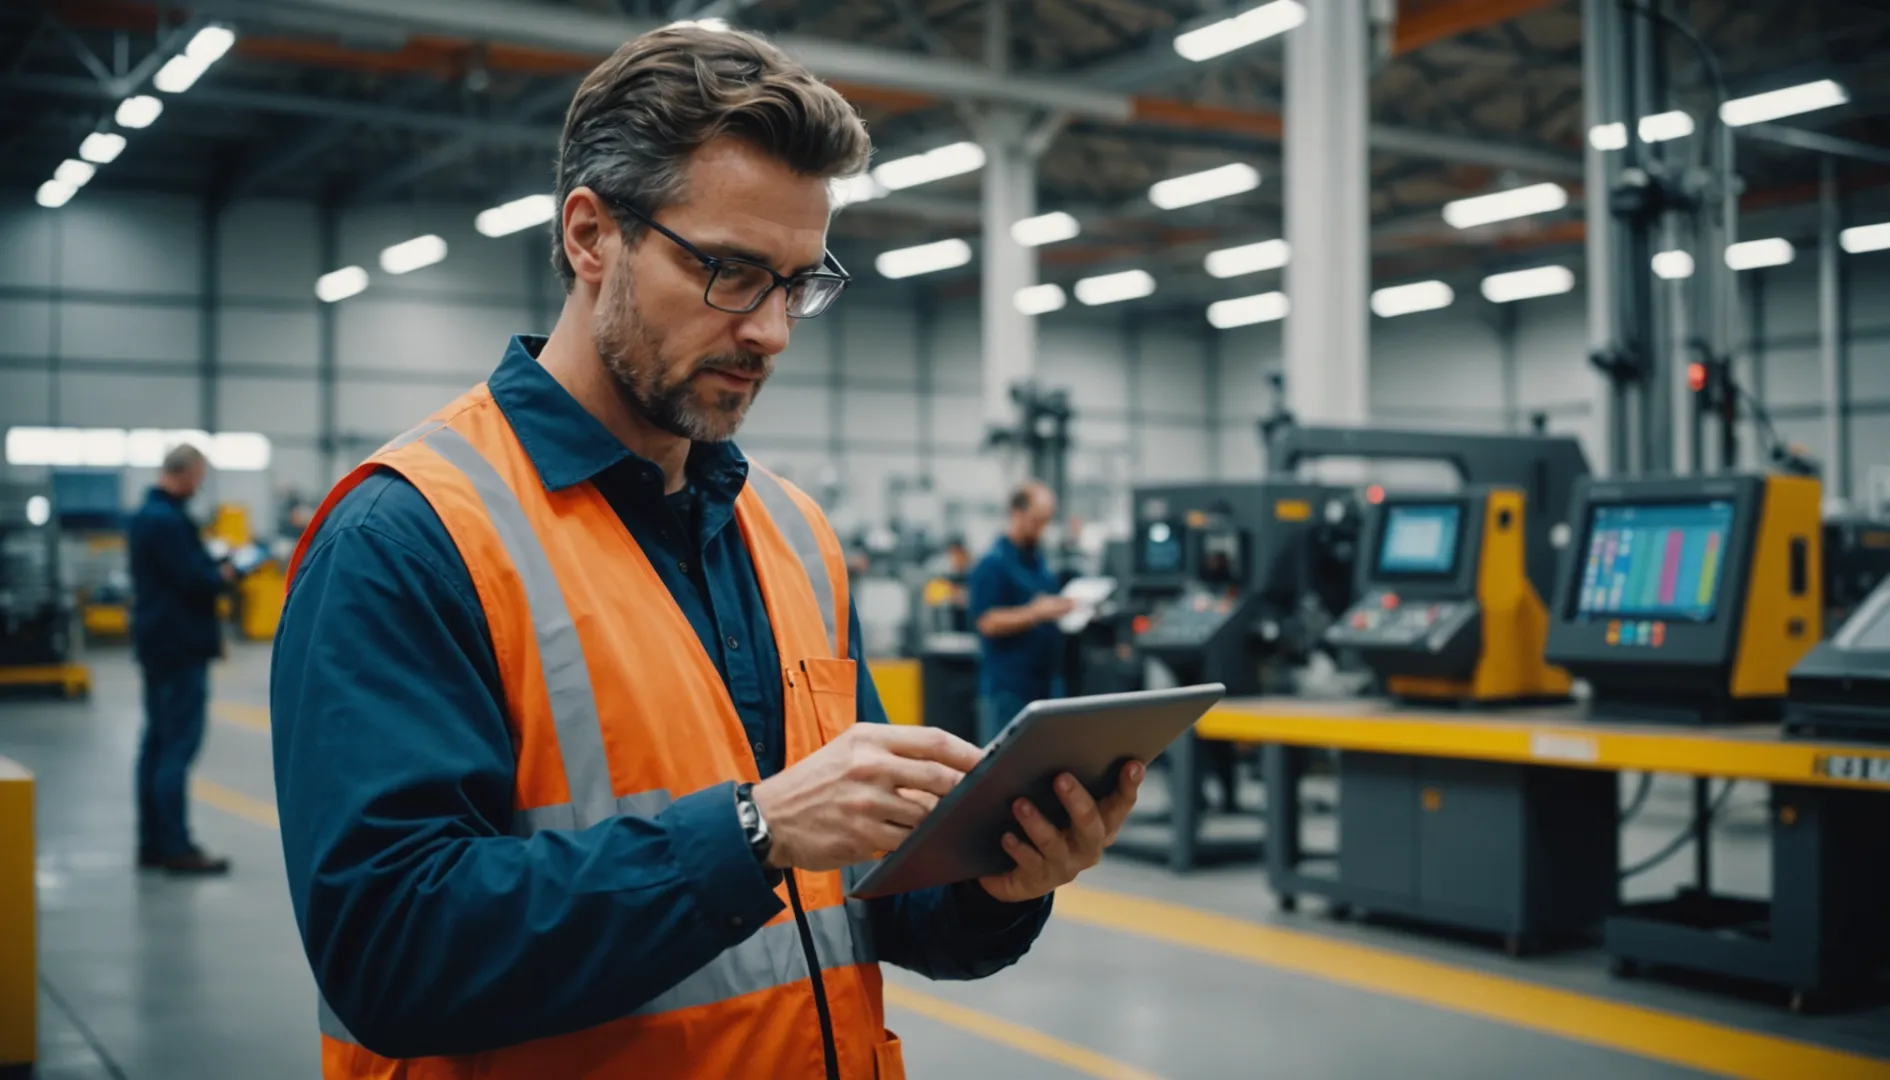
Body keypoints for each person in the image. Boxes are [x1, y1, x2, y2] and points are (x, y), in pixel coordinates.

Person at [269, 26, 1143, 1080]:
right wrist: (752, 833)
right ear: (591, 237)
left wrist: (1000, 881)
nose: (772, 331)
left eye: (798, 283)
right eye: (731, 272)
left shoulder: (795, 536)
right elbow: (391, 957)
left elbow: (867, 906)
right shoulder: (410, 536)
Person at [127, 442, 234, 875]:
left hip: (157, 644)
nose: (200, 485)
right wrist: (223, 574)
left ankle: (152, 842)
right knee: (176, 748)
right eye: (200, 476)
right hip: (179, 647)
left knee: (155, 744)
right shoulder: (167, 521)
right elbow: (194, 579)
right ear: (186, 472)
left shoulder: (144, 516)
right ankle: (176, 846)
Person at [968, 481, 1075, 746]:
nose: (1042, 529)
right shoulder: (992, 564)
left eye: (1046, 522)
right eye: (1037, 521)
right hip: (1008, 689)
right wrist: (1035, 613)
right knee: (1005, 771)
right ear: (1017, 512)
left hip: (1045, 683)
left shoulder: (1038, 561)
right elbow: (987, 622)